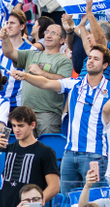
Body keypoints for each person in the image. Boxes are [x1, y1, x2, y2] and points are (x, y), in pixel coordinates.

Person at [10, 45, 110, 192]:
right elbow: (45, 83)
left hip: (96, 155)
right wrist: (26, 76)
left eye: (96, 59)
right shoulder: (75, 84)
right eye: (89, 58)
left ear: (105, 65)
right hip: (69, 153)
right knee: (66, 198)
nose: (90, 61)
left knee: (93, 199)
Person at [2, 24, 74, 135]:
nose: (48, 35)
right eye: (47, 32)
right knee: (26, 145)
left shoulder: (64, 61)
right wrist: (5, 38)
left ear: (62, 40)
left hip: (48, 114)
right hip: (26, 112)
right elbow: (9, 53)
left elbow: (63, 81)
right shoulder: (31, 54)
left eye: (53, 33)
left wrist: (41, 72)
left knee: (47, 144)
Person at [0, 106, 60, 207]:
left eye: (21, 126)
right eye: (14, 125)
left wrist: (35, 204)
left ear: (32, 125)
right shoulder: (6, 148)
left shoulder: (46, 152)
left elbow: (54, 186)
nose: (16, 130)